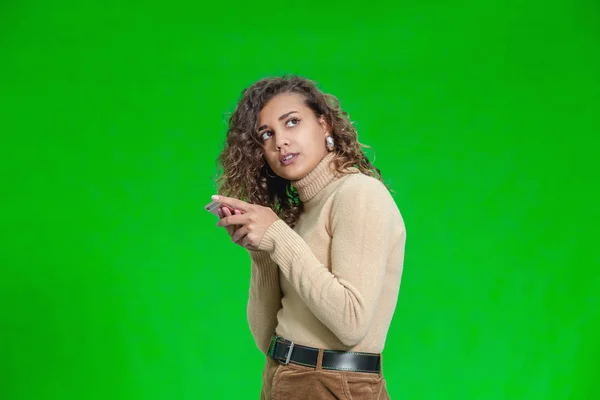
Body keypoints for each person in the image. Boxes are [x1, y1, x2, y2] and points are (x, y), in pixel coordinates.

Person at [212, 75, 406, 399]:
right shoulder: (301, 215)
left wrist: (277, 236)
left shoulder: (358, 194)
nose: (280, 141)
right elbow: (267, 340)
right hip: (283, 379)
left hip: (331, 384)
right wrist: (261, 253)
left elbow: (350, 323)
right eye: (266, 134)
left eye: (292, 122)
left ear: (324, 124)